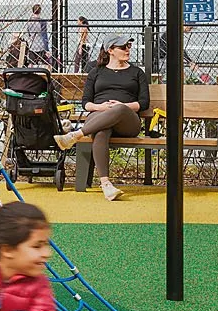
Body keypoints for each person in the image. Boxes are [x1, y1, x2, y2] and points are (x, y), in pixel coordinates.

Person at [52, 39, 149, 201]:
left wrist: (122, 106)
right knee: (101, 131)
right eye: (123, 47)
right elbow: (86, 103)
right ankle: (106, 185)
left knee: (118, 109)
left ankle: (76, 135)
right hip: (99, 115)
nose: (127, 50)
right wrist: (101, 107)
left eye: (129, 46)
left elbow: (144, 103)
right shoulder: (96, 72)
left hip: (128, 121)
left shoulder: (137, 72)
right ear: (110, 50)